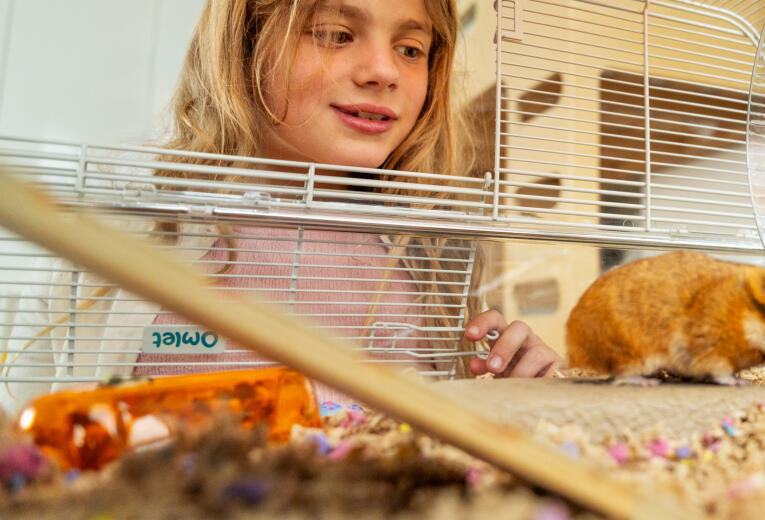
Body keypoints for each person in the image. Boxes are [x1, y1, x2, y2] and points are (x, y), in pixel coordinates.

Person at [0, 0, 561, 410]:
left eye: (410, 49)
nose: (384, 71)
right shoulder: (111, 239)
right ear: (244, 42)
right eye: (336, 33)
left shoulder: (430, 255)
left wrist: (515, 389)